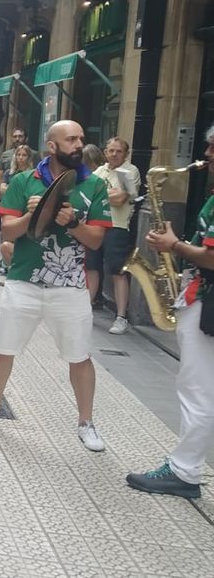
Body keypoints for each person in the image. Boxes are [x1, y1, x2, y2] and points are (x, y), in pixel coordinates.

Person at [0, 120, 112, 451]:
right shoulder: (24, 180)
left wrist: (72, 223)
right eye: (71, 139)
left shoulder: (94, 185)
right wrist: (32, 216)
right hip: (24, 281)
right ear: (52, 145)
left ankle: (86, 423)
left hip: (71, 286)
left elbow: (95, 240)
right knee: (3, 349)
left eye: (81, 138)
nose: (78, 144)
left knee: (79, 356)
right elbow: (6, 232)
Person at [125, 128, 214, 499]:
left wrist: (174, 245)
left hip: (208, 304)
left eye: (213, 147)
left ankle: (184, 470)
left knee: (197, 390)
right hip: (202, 298)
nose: (206, 153)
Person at [89, 137, 141, 334]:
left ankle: (121, 317)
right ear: (105, 152)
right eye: (111, 150)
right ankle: (86, 310)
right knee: (92, 268)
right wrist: (108, 194)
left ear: (126, 154)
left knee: (117, 271)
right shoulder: (99, 171)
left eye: (119, 151)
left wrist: (99, 195)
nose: (114, 154)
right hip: (96, 224)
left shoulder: (130, 171)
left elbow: (120, 199)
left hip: (117, 226)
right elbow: (87, 195)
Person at [0, 145, 36, 276]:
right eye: (18, 155)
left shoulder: (32, 175)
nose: (21, 158)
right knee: (5, 234)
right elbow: (2, 188)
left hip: (24, 210)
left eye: (24, 155)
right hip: (9, 207)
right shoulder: (10, 173)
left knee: (19, 237)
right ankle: (5, 264)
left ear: (28, 158)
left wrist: (9, 188)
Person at [0, 128, 38, 206]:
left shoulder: (35, 155)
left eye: (20, 136)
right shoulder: (5, 155)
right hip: (7, 198)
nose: (17, 139)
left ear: (26, 138)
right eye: (15, 136)